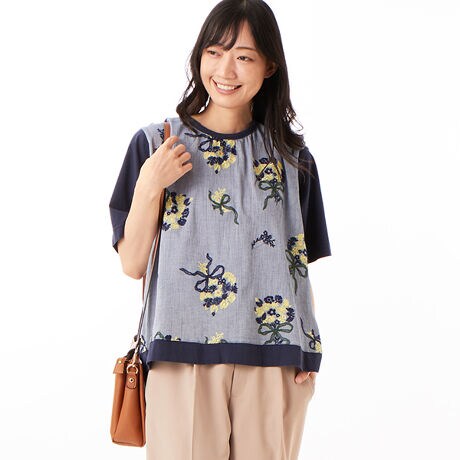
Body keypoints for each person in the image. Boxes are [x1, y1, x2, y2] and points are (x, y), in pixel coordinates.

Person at [109, 1, 332, 458]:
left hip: (274, 357)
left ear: (270, 66)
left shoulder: (293, 159)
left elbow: (297, 266)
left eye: (244, 56)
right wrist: (150, 183)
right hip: (180, 354)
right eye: (214, 52)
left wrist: (309, 344)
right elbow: (132, 264)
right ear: (199, 57)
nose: (225, 69)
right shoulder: (156, 144)